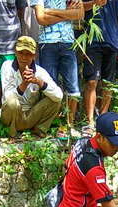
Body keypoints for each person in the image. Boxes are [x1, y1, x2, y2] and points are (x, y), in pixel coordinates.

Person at [31, 0, 83, 131]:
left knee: (73, 87)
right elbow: (41, 18)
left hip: (68, 42)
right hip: (47, 43)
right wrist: (68, 13)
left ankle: (69, 125)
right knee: (49, 86)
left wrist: (51, 11)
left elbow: (79, 14)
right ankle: (48, 124)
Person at [0, 36, 62, 138]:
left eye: (28, 54)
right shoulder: (7, 67)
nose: (24, 57)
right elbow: (7, 97)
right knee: (12, 103)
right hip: (11, 115)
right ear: (15, 52)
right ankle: (12, 133)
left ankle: (39, 129)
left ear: (34, 56)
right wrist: (24, 84)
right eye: (21, 53)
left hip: (31, 115)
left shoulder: (40, 72)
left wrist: (38, 82)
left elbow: (58, 95)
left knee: (55, 100)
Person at [82, 0, 118, 131]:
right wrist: (94, 3)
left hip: (113, 41)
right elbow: (79, 9)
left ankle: (103, 119)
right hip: (92, 41)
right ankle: (90, 121)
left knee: (108, 83)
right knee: (91, 81)